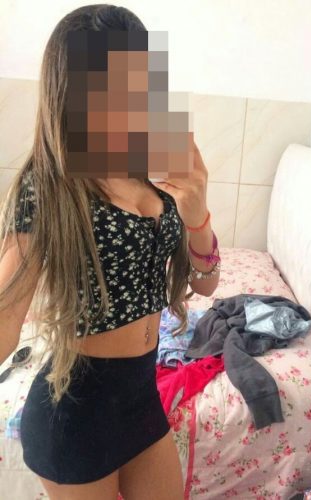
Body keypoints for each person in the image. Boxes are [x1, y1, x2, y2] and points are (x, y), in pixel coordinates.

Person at [0, 4, 221, 499]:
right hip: (73, 415)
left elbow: (206, 284)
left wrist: (198, 212)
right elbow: (6, 314)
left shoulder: (156, 164)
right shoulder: (49, 186)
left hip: (140, 401)